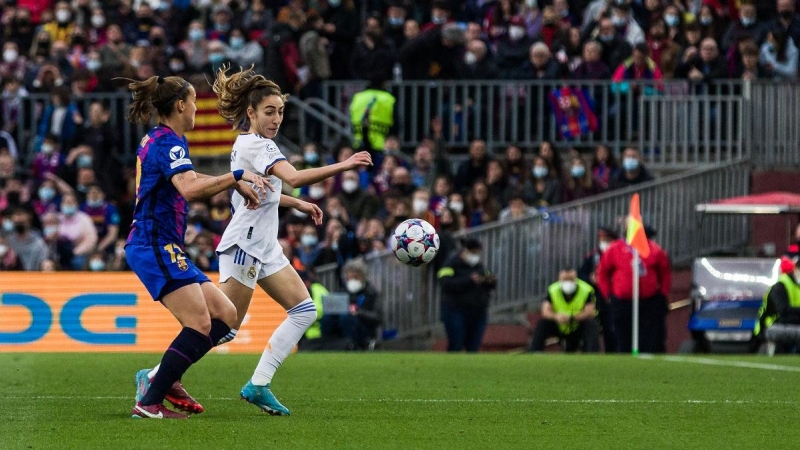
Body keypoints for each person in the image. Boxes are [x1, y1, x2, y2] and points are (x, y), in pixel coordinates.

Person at [210, 66, 372, 415]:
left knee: (304, 310)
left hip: (264, 245)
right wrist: (344, 165)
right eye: (270, 111)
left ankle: (258, 384)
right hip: (247, 244)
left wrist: (294, 203)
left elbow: (265, 192)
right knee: (224, 329)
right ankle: (159, 374)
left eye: (281, 111)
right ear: (250, 113)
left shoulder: (249, 144)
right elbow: (295, 177)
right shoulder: (259, 145)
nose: (277, 118)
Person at [122, 75, 268, 420]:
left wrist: (237, 179)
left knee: (225, 315)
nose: (197, 110)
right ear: (181, 105)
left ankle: (163, 376)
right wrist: (236, 176)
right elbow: (188, 189)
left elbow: (187, 179)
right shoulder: (170, 143)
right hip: (154, 242)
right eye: (194, 103)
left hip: (165, 244)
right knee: (200, 323)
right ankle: (149, 402)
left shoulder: (160, 139)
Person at [596, 226, 671, 353]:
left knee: (650, 335)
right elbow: (602, 273)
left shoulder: (654, 249)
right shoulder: (615, 249)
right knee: (622, 335)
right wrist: (608, 294)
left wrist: (663, 293)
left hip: (649, 300)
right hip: (622, 301)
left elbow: (665, 272)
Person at [437, 237, 497, 352]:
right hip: (455, 310)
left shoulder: (479, 266)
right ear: (465, 252)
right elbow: (445, 284)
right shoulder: (450, 265)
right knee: (456, 344)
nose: (475, 256)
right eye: (473, 253)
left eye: (477, 253)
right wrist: (469, 280)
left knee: (473, 347)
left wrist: (490, 281)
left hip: (478, 311)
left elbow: (488, 279)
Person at [530, 269, 600, 352]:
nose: (568, 282)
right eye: (565, 279)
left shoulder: (586, 290)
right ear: (559, 280)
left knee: (591, 324)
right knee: (542, 323)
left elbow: (589, 312)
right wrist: (556, 316)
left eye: (571, 279)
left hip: (577, 324)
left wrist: (571, 317)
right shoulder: (553, 289)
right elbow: (545, 311)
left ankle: (592, 353)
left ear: (576, 279)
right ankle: (535, 352)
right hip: (559, 324)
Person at [320, 257, 382, 350]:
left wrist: (359, 312)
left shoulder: (371, 293)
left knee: (346, 318)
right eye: (349, 275)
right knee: (327, 318)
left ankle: (352, 346)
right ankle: (327, 344)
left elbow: (377, 317)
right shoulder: (341, 292)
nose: (352, 278)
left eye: (356, 276)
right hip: (340, 324)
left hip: (362, 327)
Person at [758, 259, 800, 353]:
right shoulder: (781, 285)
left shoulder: (795, 285)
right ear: (796, 269)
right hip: (774, 324)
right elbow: (783, 311)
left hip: (792, 323)